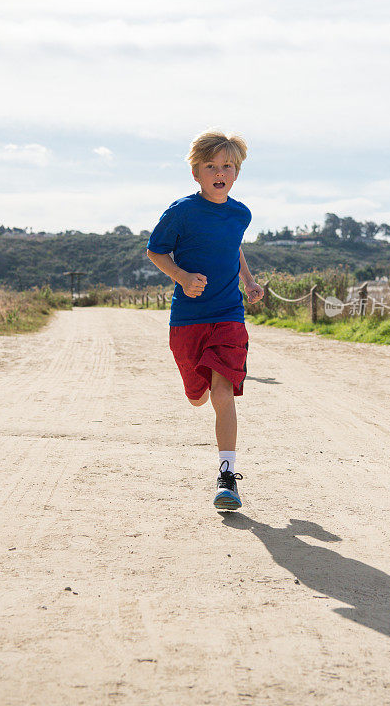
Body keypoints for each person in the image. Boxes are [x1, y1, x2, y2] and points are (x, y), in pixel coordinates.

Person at [146, 129, 264, 510]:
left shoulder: (240, 213)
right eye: (210, 165)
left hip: (229, 315)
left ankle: (226, 477)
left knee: (222, 392)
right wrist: (181, 277)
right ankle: (195, 391)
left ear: (237, 172)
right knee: (198, 397)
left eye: (227, 165)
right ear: (196, 173)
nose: (219, 172)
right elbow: (155, 251)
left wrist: (247, 280)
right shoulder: (181, 211)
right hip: (188, 321)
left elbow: (234, 247)